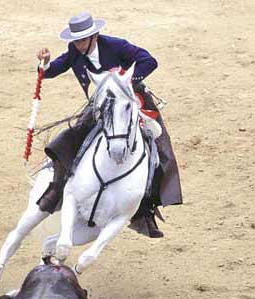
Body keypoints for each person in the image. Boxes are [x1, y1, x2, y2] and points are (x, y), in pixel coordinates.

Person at [37, 12, 182, 238]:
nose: (79, 44)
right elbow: (55, 69)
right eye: (76, 40)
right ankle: (58, 187)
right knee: (72, 137)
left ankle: (145, 210)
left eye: (83, 39)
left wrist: (125, 81)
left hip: (132, 100)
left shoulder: (116, 46)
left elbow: (149, 61)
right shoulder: (75, 52)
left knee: (161, 149)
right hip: (102, 103)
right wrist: (44, 65)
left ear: (95, 36)